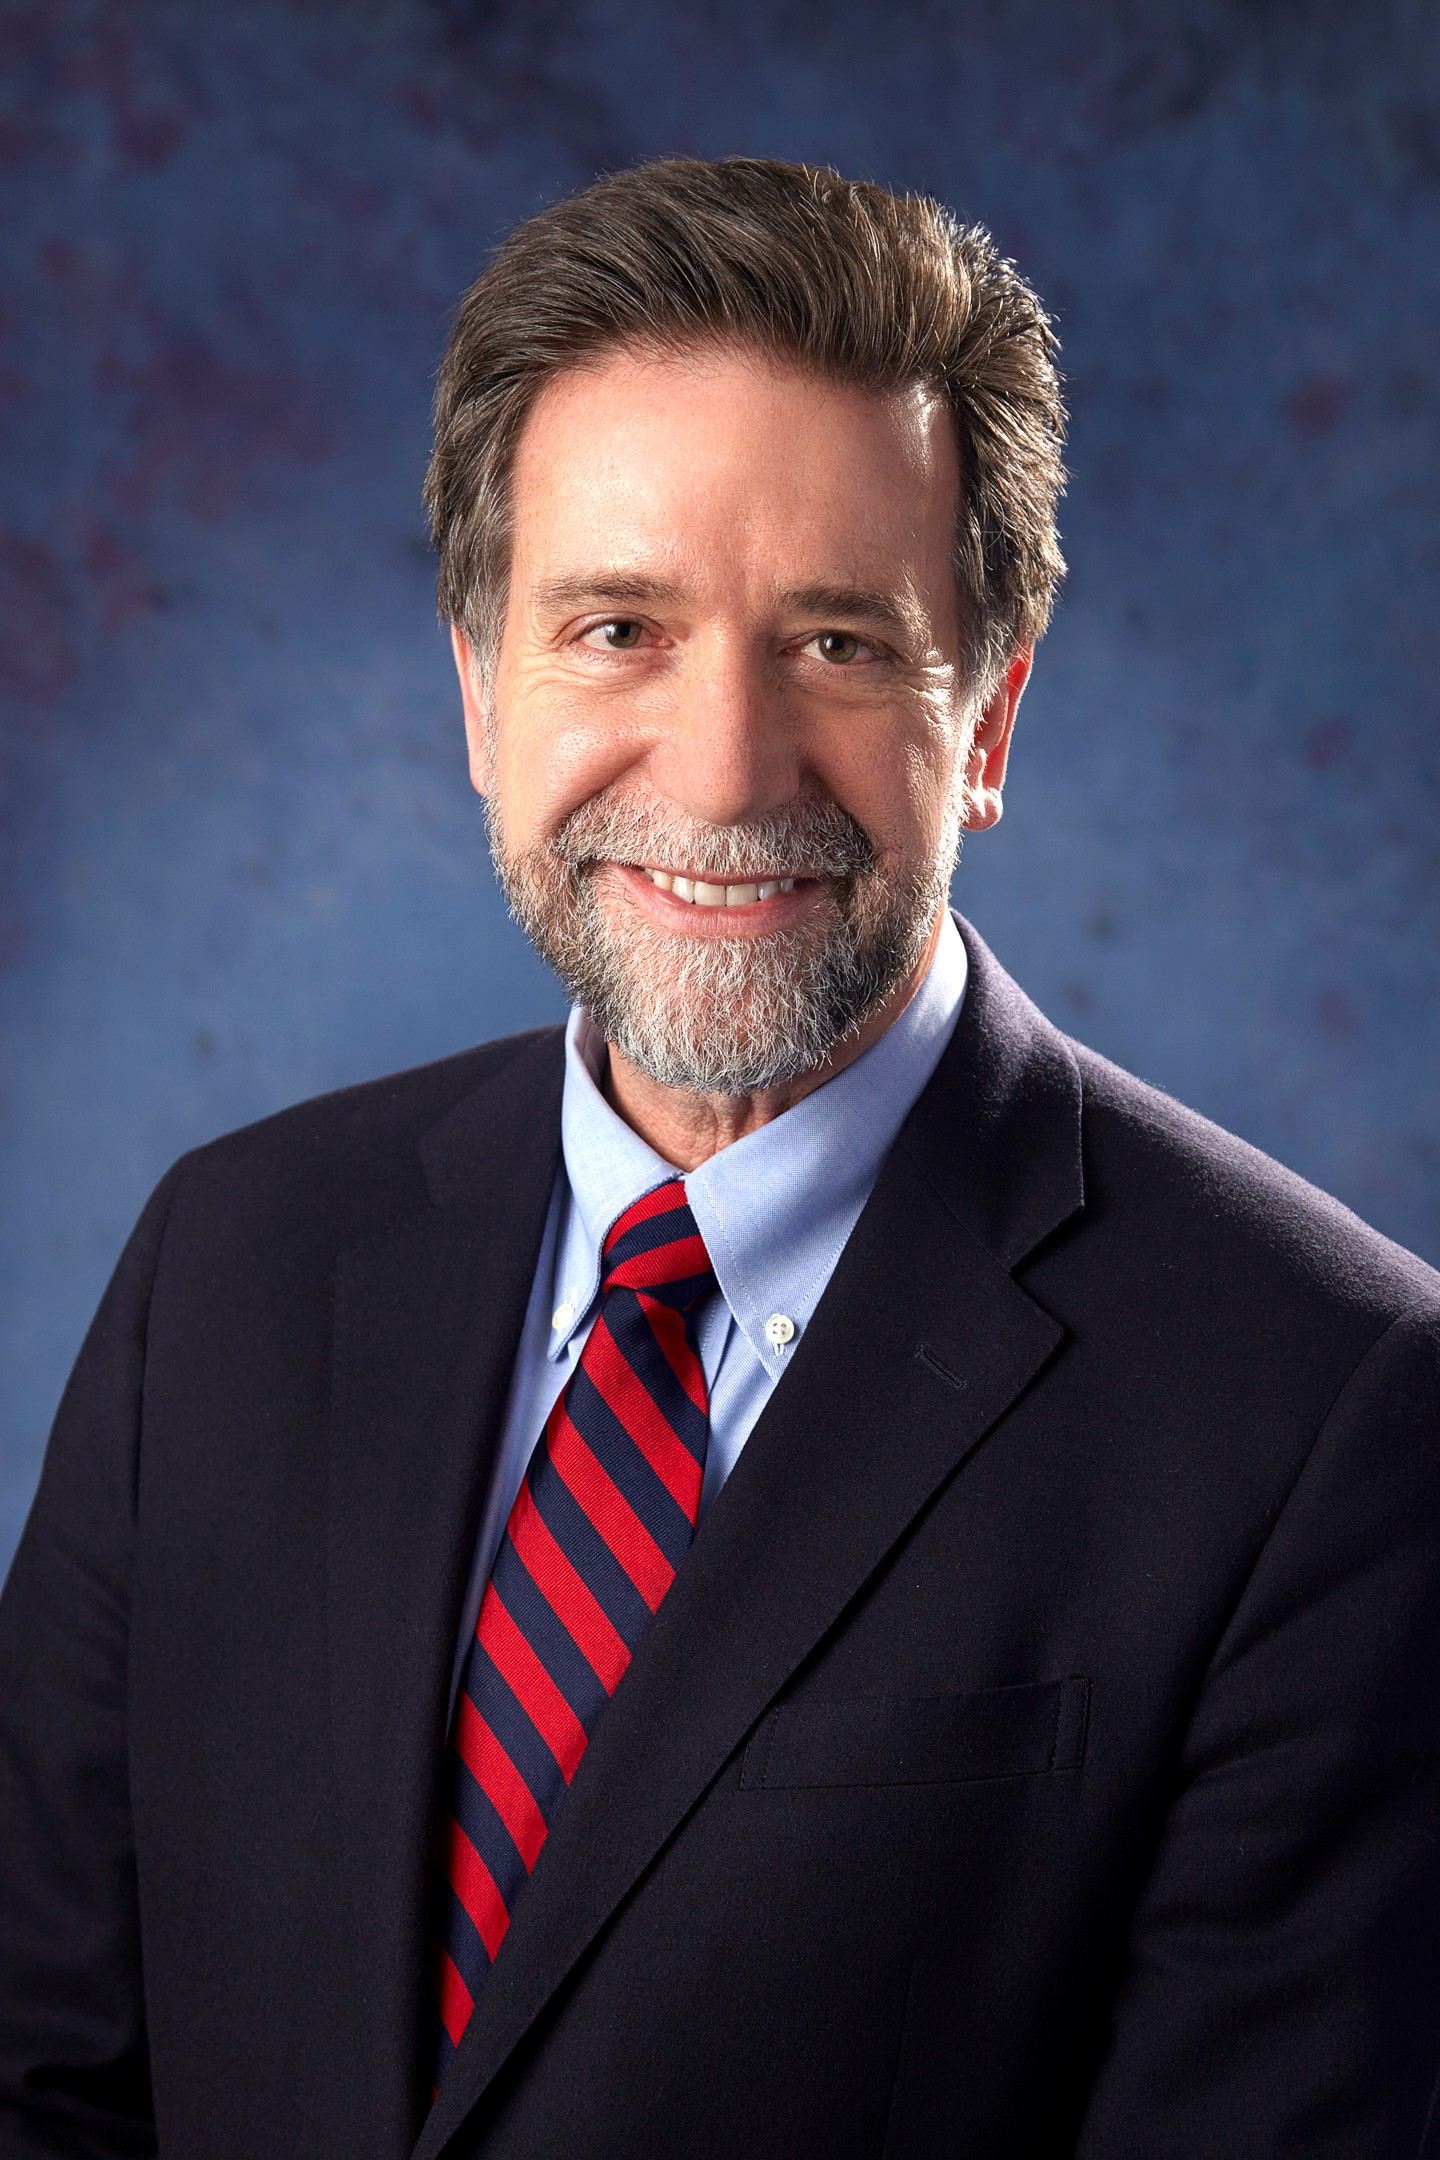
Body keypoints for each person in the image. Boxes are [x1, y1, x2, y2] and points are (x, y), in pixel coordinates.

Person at [1, 154, 1437, 2160]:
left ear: (990, 719)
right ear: (481, 692)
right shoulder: (229, 1263)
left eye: (839, 643)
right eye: (617, 627)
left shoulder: (1327, 1412)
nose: (725, 770)